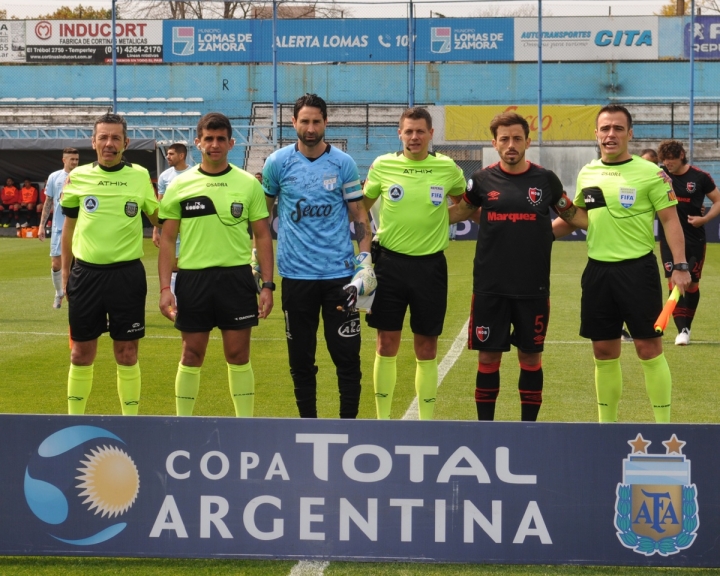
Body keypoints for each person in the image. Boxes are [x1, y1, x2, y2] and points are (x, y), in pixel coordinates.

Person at [553, 104, 690, 423]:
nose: (610, 134)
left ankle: (663, 428)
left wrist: (680, 266)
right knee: (603, 352)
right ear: (596, 134)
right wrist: (538, 235)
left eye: (617, 128)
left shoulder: (651, 173)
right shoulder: (588, 172)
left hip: (637, 272)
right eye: (605, 128)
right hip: (597, 272)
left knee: (649, 350)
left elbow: (670, 220)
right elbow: (580, 218)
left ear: (630, 133)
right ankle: (607, 429)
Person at [449, 112, 576, 422]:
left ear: (528, 142)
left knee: (530, 358)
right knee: (488, 357)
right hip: (490, 287)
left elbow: (573, 217)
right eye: (504, 139)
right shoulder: (481, 181)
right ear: (494, 143)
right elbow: (460, 212)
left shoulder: (545, 179)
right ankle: (486, 430)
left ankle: (527, 431)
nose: (511, 144)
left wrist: (547, 234)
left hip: (533, 287)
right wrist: (416, 210)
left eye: (517, 138)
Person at [158, 112, 274, 418]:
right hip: (193, 279)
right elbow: (167, 240)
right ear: (197, 143)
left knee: (238, 354)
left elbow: (263, 235)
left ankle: (245, 426)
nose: (214, 144)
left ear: (231, 143)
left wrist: (267, 285)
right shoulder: (180, 185)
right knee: (191, 354)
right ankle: (183, 425)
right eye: (208, 139)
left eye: (221, 139)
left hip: (236, 279)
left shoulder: (248, 184)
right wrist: (164, 288)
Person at [263, 93, 371, 419]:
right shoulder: (277, 163)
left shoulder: (343, 163)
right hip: (296, 278)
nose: (310, 128)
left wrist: (365, 261)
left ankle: (349, 425)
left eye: (316, 121)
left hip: (340, 277)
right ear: (293, 122)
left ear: (326, 122)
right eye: (304, 121)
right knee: (300, 360)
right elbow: (262, 218)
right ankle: (307, 424)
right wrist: (256, 258)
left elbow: (359, 215)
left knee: (347, 358)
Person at [363, 107, 466, 420]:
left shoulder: (447, 168)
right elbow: (360, 210)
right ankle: (383, 420)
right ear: (399, 134)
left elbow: (465, 205)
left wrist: (440, 219)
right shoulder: (383, 165)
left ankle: (426, 422)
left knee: (427, 347)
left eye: (420, 131)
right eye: (408, 131)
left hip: (430, 268)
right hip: (389, 265)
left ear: (431, 134)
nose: (414, 137)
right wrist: (363, 256)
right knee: (386, 343)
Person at [60, 113, 159, 416]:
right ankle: (73, 421)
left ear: (125, 142)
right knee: (80, 353)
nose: (109, 143)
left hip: (126, 276)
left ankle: (131, 424)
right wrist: (65, 272)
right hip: (85, 275)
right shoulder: (78, 177)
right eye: (103, 137)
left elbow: (159, 218)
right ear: (93, 142)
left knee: (127, 353)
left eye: (115, 137)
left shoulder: (139, 175)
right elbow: (68, 228)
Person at [657, 139, 720, 346]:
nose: (667, 163)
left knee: (692, 284)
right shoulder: (660, 176)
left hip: (694, 238)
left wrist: (705, 218)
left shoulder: (700, 177)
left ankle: (687, 326)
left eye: (671, 159)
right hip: (668, 238)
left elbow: (718, 200)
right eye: (664, 160)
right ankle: (681, 330)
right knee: (674, 281)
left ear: (681, 156)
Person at [38, 147, 80, 309]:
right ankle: (59, 293)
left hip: (79, 227)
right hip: (58, 228)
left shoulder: (83, 176)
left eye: (77, 159)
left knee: (79, 264)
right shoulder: (54, 177)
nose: (75, 162)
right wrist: (41, 226)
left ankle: (77, 296)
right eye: (72, 159)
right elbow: (48, 202)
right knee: (56, 264)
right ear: (64, 160)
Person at [152, 143, 191, 293]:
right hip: (171, 225)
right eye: (167, 154)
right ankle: (175, 294)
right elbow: (160, 204)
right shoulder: (164, 176)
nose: (167, 157)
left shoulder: (194, 174)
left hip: (190, 225)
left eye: (171, 154)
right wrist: (156, 230)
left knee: (190, 260)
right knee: (173, 261)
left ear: (181, 155)